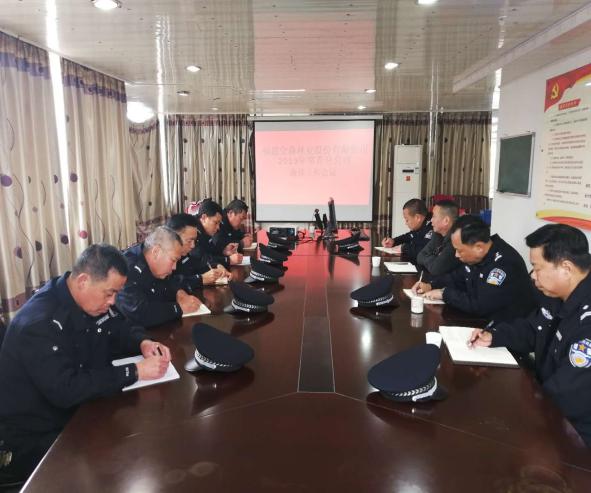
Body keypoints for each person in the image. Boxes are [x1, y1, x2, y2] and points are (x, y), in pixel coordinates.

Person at [0, 244, 171, 484]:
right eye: (109, 293)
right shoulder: (38, 324)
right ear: (83, 281)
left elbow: (121, 326)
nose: (113, 301)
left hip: (79, 412)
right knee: (120, 464)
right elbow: (66, 390)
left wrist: (143, 342)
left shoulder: (91, 302)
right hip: (37, 436)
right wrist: (133, 371)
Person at [469, 224, 591, 447]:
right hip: (547, 411)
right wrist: (494, 336)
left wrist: (522, 413)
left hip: (576, 435)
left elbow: (568, 391)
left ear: (566, 268)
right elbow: (533, 328)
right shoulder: (557, 292)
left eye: (537, 268)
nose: (533, 276)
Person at [412, 215, 536, 322]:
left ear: (479, 247)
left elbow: (481, 305)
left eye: (459, 250)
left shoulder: (504, 264)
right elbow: (456, 277)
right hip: (481, 324)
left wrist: (445, 294)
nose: (456, 255)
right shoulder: (476, 256)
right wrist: (431, 285)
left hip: (505, 331)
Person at [116, 226, 202, 328]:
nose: (174, 267)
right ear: (156, 252)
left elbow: (169, 282)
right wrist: (178, 308)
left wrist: (179, 293)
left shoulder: (157, 265)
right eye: (173, 260)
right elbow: (140, 313)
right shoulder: (125, 269)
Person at [166, 213, 230, 292]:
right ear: (173, 237)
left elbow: (197, 264)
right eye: (189, 241)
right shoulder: (164, 258)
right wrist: (200, 279)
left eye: (194, 240)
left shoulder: (185, 254)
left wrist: (216, 266)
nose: (193, 246)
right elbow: (170, 284)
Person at [190, 199, 243, 270]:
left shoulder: (205, 230)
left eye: (219, 223)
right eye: (215, 222)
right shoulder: (192, 230)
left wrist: (223, 251)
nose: (218, 227)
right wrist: (228, 260)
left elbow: (211, 250)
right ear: (204, 218)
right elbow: (201, 258)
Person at [416, 199, 461, 277]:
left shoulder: (456, 239)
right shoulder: (438, 234)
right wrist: (434, 259)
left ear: (446, 220)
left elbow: (436, 269)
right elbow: (420, 256)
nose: (431, 220)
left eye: (434, 216)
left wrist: (430, 258)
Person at [381, 198, 433, 263]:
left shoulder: (433, 226)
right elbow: (409, 236)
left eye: (407, 220)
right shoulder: (420, 225)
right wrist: (394, 241)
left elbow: (424, 250)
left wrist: (404, 248)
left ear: (418, 218)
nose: (406, 223)